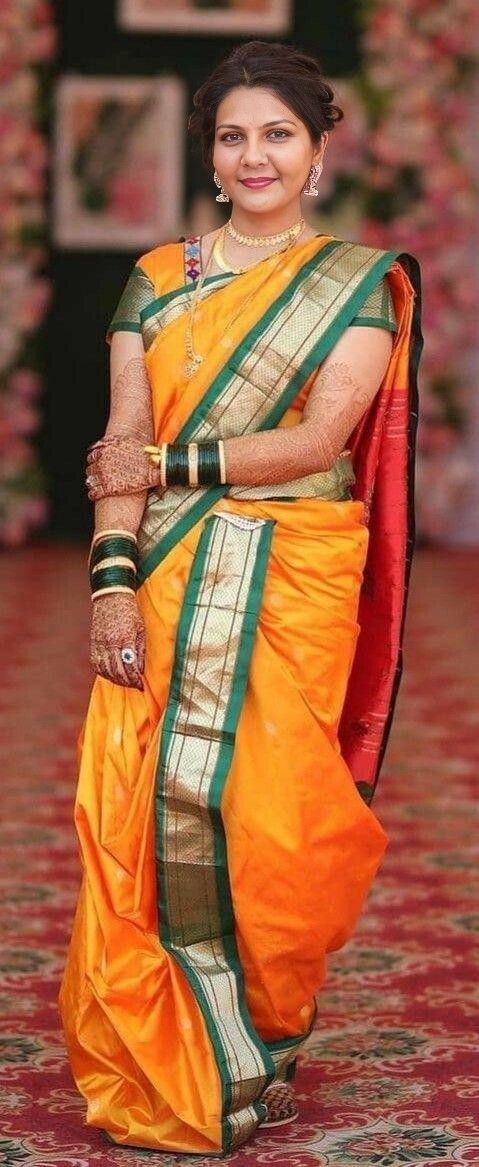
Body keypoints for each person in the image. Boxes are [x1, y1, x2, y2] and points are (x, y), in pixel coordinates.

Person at [59, 40, 422, 1156]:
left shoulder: (356, 283)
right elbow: (123, 432)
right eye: (231, 137)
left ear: (317, 151)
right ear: (209, 157)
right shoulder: (157, 278)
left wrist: (163, 468)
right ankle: (163, 1053)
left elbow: (317, 438)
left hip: (291, 571)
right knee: (140, 802)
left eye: (276, 134)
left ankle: (254, 1037)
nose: (253, 155)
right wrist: (111, 582)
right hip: (164, 571)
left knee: (272, 821)